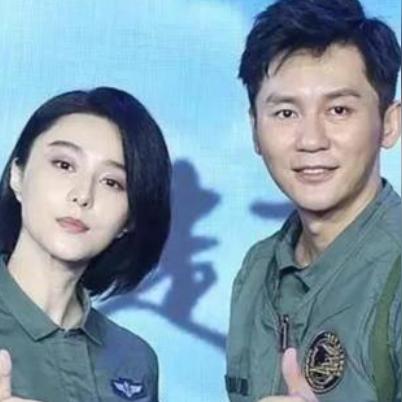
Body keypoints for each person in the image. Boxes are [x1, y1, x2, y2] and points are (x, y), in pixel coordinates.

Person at [225, 1, 401, 401]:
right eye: (286, 113)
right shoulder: (256, 269)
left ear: (389, 123)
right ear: (255, 129)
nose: (311, 140)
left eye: (339, 110)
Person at [0, 87, 171, 402]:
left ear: (130, 219)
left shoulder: (134, 361)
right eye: (64, 165)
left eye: (112, 182)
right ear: (17, 175)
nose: (83, 195)